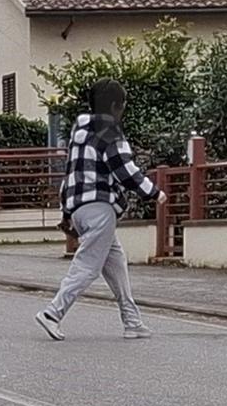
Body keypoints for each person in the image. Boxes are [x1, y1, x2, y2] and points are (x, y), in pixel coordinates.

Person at [39, 78, 156, 337]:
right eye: (122, 105)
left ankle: (132, 322)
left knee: (116, 262)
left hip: (79, 207)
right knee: (88, 265)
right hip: (100, 207)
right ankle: (52, 313)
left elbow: (71, 172)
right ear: (116, 106)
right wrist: (152, 192)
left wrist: (66, 212)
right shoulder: (110, 132)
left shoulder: (79, 133)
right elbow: (124, 169)